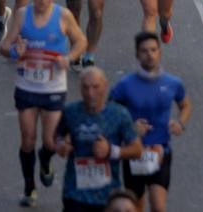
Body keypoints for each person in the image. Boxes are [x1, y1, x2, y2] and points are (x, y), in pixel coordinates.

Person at [0, 0, 87, 208]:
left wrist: (69, 58)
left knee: (50, 141)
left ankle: (46, 160)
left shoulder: (63, 16)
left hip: (53, 87)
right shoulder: (21, 15)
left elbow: (81, 42)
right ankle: (30, 188)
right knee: (27, 139)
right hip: (26, 85)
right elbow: (3, 46)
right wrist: (15, 52)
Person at [110, 32, 191, 212]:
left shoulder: (172, 83)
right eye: (144, 51)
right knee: (137, 206)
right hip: (134, 152)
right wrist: (129, 128)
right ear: (137, 54)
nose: (150, 54)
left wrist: (180, 123)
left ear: (160, 52)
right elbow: (109, 113)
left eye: (153, 50)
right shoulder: (125, 85)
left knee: (158, 207)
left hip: (160, 150)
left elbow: (185, 105)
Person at [55, 67, 142, 212]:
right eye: (85, 88)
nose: (90, 93)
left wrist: (111, 150)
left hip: (107, 196)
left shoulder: (120, 114)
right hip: (75, 193)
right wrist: (61, 145)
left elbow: (137, 150)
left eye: (95, 87)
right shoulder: (70, 112)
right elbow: (58, 136)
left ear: (105, 86)